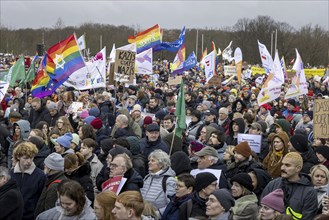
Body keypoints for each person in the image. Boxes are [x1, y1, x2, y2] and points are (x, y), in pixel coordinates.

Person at [262, 152, 318, 220]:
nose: (282, 168)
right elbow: (262, 207)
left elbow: (308, 216)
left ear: (298, 168)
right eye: (282, 164)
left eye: (287, 165)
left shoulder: (309, 192)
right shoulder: (273, 184)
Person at [11, 141, 47, 220]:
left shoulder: (40, 176)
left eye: (31, 158)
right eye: (25, 158)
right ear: (18, 157)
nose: (29, 161)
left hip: (30, 216)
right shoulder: (11, 175)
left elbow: (41, 199)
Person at [141, 150, 176, 214]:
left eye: (153, 161)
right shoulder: (147, 177)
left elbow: (171, 204)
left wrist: (156, 214)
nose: (149, 163)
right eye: (149, 160)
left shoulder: (169, 180)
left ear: (161, 164)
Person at [35, 152, 67, 217]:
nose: (44, 166)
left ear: (50, 168)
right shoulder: (61, 179)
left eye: (46, 165)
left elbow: (49, 210)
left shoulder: (55, 186)